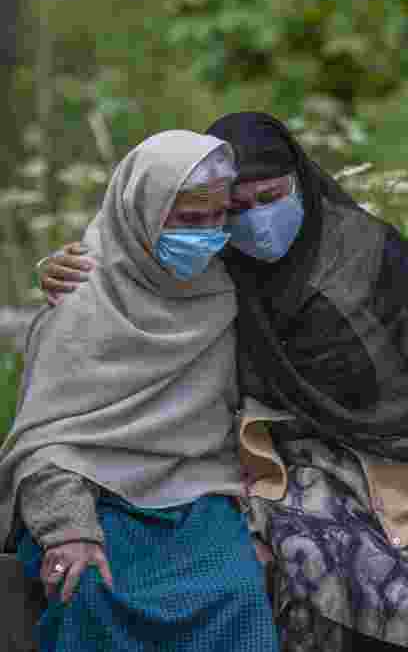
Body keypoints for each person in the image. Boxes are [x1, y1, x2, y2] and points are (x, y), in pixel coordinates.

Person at [39, 112, 408, 652]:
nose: (256, 221)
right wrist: (56, 267)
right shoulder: (216, 260)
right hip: (282, 457)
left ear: (300, 179)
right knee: (309, 565)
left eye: (272, 196)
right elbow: (139, 258)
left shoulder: (375, 258)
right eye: (237, 207)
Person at [1, 131, 280, 651]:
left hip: (200, 495)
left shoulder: (227, 291)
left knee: (238, 591)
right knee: (87, 587)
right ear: (142, 214)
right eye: (189, 221)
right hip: (91, 498)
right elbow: (46, 442)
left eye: (219, 218)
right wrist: (69, 529)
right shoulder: (81, 300)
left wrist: (261, 520)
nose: (208, 234)